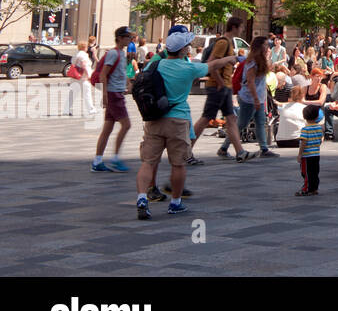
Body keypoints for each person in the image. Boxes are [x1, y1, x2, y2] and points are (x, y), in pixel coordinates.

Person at [134, 30, 237, 220]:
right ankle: (175, 203)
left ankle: (142, 197)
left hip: (154, 118)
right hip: (178, 120)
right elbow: (212, 64)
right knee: (178, 164)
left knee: (148, 162)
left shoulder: (155, 64)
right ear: (183, 50)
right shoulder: (188, 68)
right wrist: (230, 58)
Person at [192, 17, 250, 162]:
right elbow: (211, 63)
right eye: (241, 27)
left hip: (224, 86)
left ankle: (240, 152)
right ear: (235, 27)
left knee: (231, 119)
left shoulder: (228, 43)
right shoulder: (223, 42)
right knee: (206, 119)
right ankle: (185, 150)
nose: (242, 30)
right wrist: (219, 82)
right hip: (218, 86)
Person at [217, 36, 277, 159]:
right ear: (259, 47)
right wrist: (255, 99)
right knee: (241, 124)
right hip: (249, 99)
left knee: (260, 122)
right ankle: (223, 148)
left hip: (257, 98)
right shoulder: (252, 62)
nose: (268, 47)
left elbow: (268, 70)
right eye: (266, 45)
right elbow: (250, 82)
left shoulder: (260, 60)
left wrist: (268, 57)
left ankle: (264, 148)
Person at [90, 26, 134, 173]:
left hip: (116, 92)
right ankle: (115, 159)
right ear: (120, 38)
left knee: (107, 129)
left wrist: (128, 82)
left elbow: (119, 73)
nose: (130, 39)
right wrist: (104, 96)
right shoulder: (114, 54)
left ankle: (97, 161)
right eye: (127, 37)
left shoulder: (121, 53)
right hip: (114, 95)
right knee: (126, 125)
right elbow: (103, 74)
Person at [296, 104, 325, 196]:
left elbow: (303, 142)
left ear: (304, 116)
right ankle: (314, 188)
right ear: (317, 116)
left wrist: (300, 154)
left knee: (306, 173)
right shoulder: (319, 128)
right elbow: (320, 139)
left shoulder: (305, 129)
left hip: (307, 155)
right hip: (316, 154)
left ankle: (306, 188)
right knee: (315, 172)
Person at [64, 41, 95, 117]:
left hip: (75, 77)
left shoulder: (76, 54)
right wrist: (90, 75)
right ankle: (91, 109)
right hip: (83, 77)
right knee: (87, 93)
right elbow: (85, 66)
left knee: (72, 94)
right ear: (85, 47)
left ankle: (66, 110)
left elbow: (73, 63)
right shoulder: (84, 55)